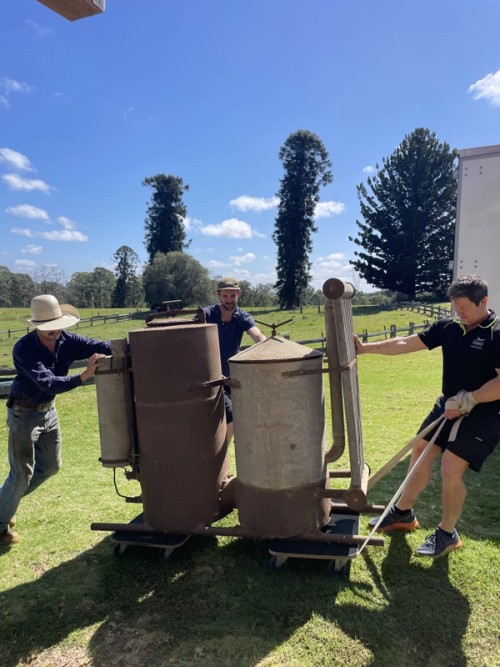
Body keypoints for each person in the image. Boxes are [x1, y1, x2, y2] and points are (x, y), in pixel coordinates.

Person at [355, 275, 500, 558]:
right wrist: (366, 349)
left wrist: (470, 398)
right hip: (448, 405)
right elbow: (407, 343)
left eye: (464, 307)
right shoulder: (449, 327)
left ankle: (448, 533)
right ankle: (403, 513)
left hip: (484, 411)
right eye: (455, 307)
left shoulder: (497, 334)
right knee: (420, 450)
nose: (459, 312)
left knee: (450, 467)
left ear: (484, 301)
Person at [0, 295, 111, 546]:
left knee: (51, 467)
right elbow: (48, 382)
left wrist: (132, 345)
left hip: (48, 410)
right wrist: (84, 375)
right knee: (21, 475)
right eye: (47, 327)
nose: (54, 331)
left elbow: (99, 345)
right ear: (36, 325)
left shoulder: (67, 340)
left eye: (57, 324)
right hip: (24, 413)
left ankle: (4, 506)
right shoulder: (24, 349)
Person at [203, 277, 266, 443]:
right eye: (225, 296)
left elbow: (257, 335)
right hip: (211, 378)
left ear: (238, 294)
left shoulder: (242, 317)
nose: (229, 300)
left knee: (233, 420)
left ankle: (219, 460)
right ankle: (220, 461)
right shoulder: (207, 314)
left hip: (230, 379)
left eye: (232, 296)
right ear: (218, 295)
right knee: (232, 420)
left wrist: (270, 350)